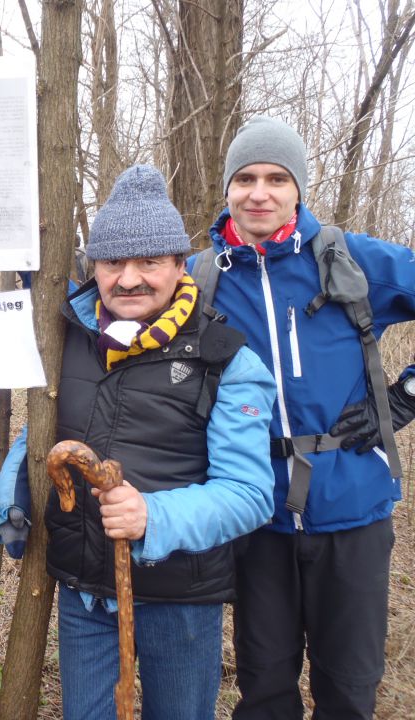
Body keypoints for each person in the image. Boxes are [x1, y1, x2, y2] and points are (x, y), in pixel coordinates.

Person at [0, 165, 276, 720]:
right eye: (113, 262)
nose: (128, 279)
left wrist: (153, 514)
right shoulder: (68, 340)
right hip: (84, 592)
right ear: (93, 266)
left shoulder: (225, 359)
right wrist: (12, 497)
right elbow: (41, 430)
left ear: (178, 265)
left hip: (180, 599)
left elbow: (250, 493)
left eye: (149, 262)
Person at [190, 116, 415, 719]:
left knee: (348, 685)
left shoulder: (348, 257)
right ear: (228, 187)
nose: (258, 192)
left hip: (353, 507)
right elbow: (119, 305)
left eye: (276, 178)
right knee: (264, 687)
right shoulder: (201, 278)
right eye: (245, 178)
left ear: (298, 189)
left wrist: (407, 397)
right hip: (256, 510)